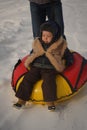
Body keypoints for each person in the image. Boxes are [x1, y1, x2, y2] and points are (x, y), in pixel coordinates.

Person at [13, 21, 67, 111]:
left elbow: (67, 55)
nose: (45, 38)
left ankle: (50, 102)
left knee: (49, 82)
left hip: (50, 68)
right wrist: (30, 59)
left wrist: (67, 63)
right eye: (44, 35)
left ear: (55, 36)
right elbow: (33, 53)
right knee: (27, 79)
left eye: (48, 36)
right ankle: (21, 100)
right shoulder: (38, 43)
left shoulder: (59, 45)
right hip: (36, 66)